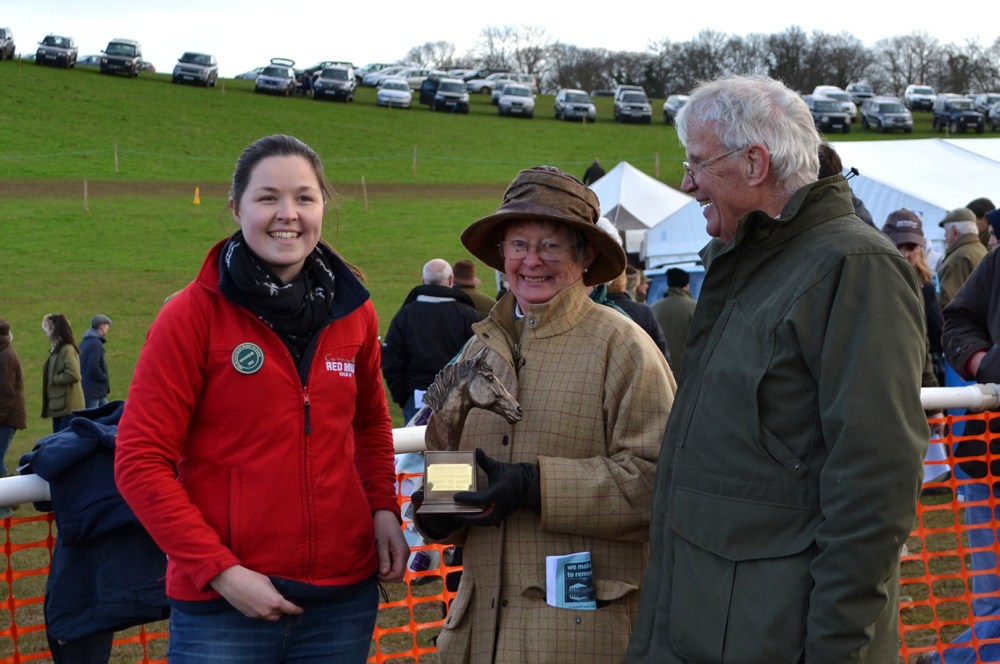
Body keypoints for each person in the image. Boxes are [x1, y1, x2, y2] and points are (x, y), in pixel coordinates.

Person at [625, 75, 928, 664]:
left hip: (778, 639)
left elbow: (874, 488)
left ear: (755, 162)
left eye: (696, 164)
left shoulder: (855, 267)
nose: (687, 183)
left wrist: (837, 648)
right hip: (702, 628)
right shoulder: (748, 265)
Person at [114, 134, 408, 664]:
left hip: (342, 600)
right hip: (224, 608)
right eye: (268, 197)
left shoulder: (355, 312)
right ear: (236, 207)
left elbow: (368, 424)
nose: (287, 215)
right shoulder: (190, 316)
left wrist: (384, 508)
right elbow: (139, 461)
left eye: (304, 197)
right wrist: (222, 572)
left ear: (323, 206)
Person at [413, 166, 676, 663]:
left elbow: (659, 482)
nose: (532, 261)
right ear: (501, 257)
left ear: (585, 257)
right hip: (476, 637)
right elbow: (448, 462)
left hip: (577, 637)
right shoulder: (477, 350)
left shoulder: (624, 348)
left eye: (551, 246)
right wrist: (440, 514)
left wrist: (535, 485)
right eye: (518, 245)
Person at [935, 246, 1000, 663]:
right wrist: (983, 362)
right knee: (991, 604)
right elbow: (956, 320)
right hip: (990, 461)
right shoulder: (996, 263)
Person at [381, 258, 480, 423]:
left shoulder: (406, 314)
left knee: (415, 446)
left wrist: (403, 397)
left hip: (417, 398)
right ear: (450, 281)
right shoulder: (467, 314)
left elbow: (391, 360)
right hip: (457, 397)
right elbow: (478, 359)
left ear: (423, 282)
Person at [648, 267, 697, 378]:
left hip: (660, 371)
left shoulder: (653, 308)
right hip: (687, 373)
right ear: (686, 285)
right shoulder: (694, 307)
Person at [937, 206, 988, 311]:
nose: (944, 236)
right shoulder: (980, 249)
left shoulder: (959, 258)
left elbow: (948, 300)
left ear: (955, 231)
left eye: (946, 231)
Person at [41, 314, 84, 434]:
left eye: (48, 329)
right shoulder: (58, 348)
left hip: (68, 407)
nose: (46, 333)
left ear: (55, 330)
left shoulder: (67, 349)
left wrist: (55, 379)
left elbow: (74, 374)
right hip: (61, 406)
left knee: (64, 445)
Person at [0, 319, 26, 493]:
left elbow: (7, 393)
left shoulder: (5, 357)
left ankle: (7, 502)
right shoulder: (3, 353)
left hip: (8, 417)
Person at [79, 314, 112, 409]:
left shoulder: (85, 342)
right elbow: (93, 366)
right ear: (101, 326)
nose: (108, 328)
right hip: (94, 390)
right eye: (107, 325)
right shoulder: (95, 343)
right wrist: (104, 377)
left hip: (91, 390)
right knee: (92, 418)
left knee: (108, 413)